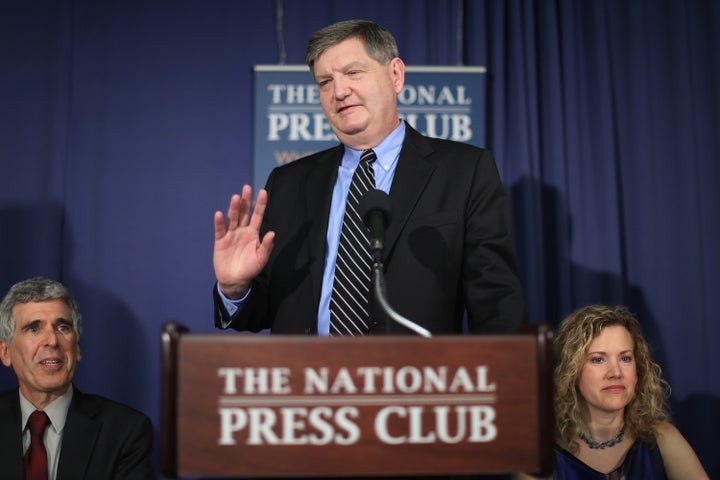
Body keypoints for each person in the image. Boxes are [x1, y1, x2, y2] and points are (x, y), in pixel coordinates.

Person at [212, 19, 526, 336]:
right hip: (305, 378)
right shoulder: (288, 183)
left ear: (395, 75)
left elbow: (496, 300)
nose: (339, 91)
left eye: (353, 73)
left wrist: (502, 377)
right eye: (324, 82)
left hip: (414, 379)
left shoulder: (464, 171)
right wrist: (235, 289)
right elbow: (262, 312)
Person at [516, 305, 708, 479]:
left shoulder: (663, 439)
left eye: (625, 359)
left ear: (638, 370)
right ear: (570, 372)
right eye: (598, 360)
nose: (616, 373)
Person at [0, 277, 155, 479]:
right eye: (34, 329)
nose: (52, 340)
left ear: (77, 349)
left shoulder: (125, 432)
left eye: (62, 327)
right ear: (5, 352)